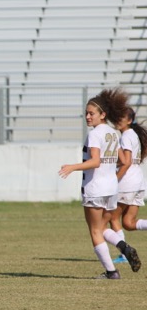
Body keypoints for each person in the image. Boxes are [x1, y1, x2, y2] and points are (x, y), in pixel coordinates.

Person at [59, 88, 140, 279]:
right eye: (86, 113)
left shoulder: (95, 134)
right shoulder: (113, 133)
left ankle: (112, 272)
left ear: (102, 115)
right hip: (111, 188)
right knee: (103, 228)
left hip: (95, 188)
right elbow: (121, 159)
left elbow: (95, 161)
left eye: (91, 113)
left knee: (95, 231)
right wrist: (109, 169)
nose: (87, 116)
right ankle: (123, 246)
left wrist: (73, 167)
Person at [104, 107, 147, 265]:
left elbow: (126, 161)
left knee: (111, 218)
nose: (117, 120)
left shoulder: (127, 135)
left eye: (121, 117)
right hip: (138, 181)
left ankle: (123, 254)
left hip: (127, 182)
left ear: (129, 121)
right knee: (128, 223)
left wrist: (114, 178)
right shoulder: (133, 135)